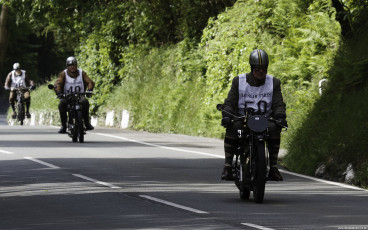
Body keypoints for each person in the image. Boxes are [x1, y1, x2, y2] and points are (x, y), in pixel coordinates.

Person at [221, 49, 287, 181]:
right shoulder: (238, 81)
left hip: (265, 120)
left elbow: (278, 104)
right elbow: (230, 102)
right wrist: (227, 115)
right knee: (234, 126)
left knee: (275, 127)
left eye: (264, 68)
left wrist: (280, 116)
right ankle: (228, 166)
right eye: (257, 68)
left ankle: (273, 166)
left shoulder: (274, 82)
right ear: (251, 68)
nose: (261, 71)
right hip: (243, 119)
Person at [53, 56, 95, 133]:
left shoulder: (82, 73)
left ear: (76, 65)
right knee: (61, 104)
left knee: (85, 102)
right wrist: (59, 92)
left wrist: (89, 90)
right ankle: (64, 126)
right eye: (70, 65)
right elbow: (58, 83)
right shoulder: (63, 74)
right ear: (67, 66)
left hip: (80, 95)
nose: (72, 67)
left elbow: (90, 82)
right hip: (67, 96)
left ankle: (87, 123)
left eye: (73, 65)